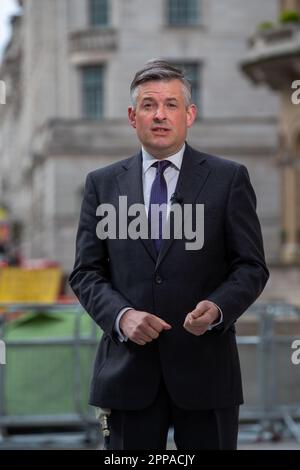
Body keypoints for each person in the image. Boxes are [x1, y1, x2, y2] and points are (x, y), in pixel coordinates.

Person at [69, 60, 269, 450]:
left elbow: (251, 265)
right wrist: (122, 317)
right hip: (126, 375)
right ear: (132, 116)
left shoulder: (229, 179)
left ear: (189, 114)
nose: (160, 114)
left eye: (171, 104)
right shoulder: (101, 184)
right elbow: (86, 272)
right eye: (148, 104)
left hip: (207, 374)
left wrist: (218, 307)